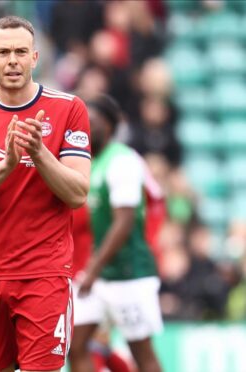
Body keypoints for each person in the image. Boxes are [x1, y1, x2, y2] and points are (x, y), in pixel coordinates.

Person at [0, 16, 91, 372]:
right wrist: (6, 165)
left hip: (44, 274)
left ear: (35, 57)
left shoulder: (69, 108)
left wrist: (39, 153)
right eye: (4, 52)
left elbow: (77, 192)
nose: (12, 59)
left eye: (21, 51)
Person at [69, 94, 163, 372]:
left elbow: (124, 221)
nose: (85, 128)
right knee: (76, 345)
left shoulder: (122, 160)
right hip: (99, 277)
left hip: (128, 273)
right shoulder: (91, 163)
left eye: (92, 121)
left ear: (109, 126)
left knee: (142, 352)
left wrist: (93, 268)